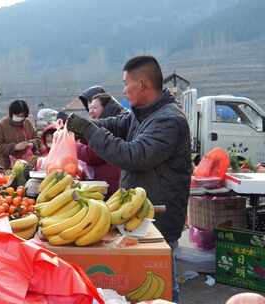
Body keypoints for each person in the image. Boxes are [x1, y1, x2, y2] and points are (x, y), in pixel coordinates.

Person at [67, 55, 192, 302]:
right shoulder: (141, 114)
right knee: (140, 280)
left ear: (143, 84)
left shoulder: (169, 120)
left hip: (159, 217)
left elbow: (135, 155)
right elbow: (117, 123)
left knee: (163, 283)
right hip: (138, 215)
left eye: (126, 84)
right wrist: (83, 127)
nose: (123, 90)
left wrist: (90, 132)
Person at [76, 93, 124, 196]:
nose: (90, 111)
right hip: (105, 183)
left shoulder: (112, 126)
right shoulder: (108, 124)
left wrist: (75, 146)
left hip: (110, 185)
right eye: (89, 108)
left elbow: (92, 155)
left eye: (94, 108)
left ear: (106, 108)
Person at [0, 100, 41, 169]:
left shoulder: (28, 123)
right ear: (11, 114)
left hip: (29, 165)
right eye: (18, 115)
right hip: (7, 167)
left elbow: (38, 139)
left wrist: (32, 143)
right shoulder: (1, 126)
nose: (20, 118)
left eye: (22, 116)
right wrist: (15, 147)